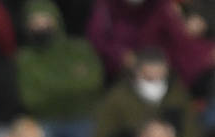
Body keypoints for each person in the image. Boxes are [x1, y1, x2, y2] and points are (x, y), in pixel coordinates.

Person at [15, 0, 103, 137]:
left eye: (45, 20)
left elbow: (93, 84)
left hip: (81, 117)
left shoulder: (80, 49)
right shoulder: (25, 58)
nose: (41, 26)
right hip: (44, 120)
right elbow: (30, 98)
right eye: (35, 22)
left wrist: (49, 87)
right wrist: (72, 85)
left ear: (57, 21)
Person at [93, 49, 199, 137]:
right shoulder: (116, 99)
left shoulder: (178, 95)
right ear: (137, 73)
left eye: (160, 78)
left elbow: (194, 136)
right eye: (149, 78)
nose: (155, 83)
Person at [86, 0, 215, 92]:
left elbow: (179, 37)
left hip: (165, 64)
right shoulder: (104, 7)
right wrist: (121, 56)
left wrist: (207, 52)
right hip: (120, 72)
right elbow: (97, 41)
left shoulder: (160, 6)